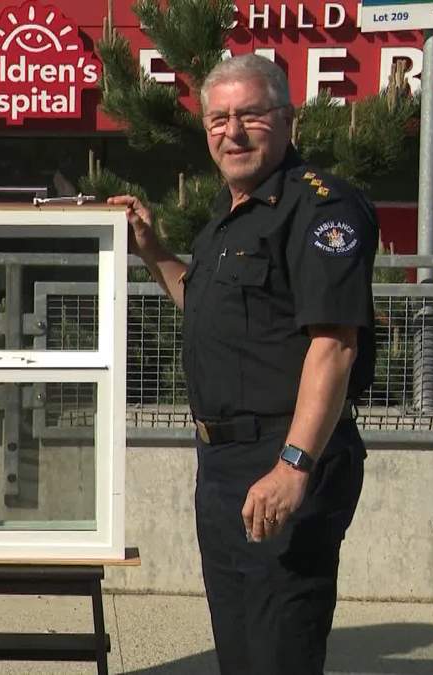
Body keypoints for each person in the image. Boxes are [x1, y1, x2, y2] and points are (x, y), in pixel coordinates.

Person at [109, 54, 378, 674]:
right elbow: (207, 307)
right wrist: (155, 252)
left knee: (279, 648)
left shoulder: (320, 209)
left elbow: (334, 346)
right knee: (240, 651)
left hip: (284, 455)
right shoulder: (228, 220)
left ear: (288, 120)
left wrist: (293, 464)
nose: (232, 132)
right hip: (223, 466)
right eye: (218, 119)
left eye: (250, 116)